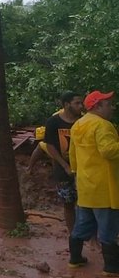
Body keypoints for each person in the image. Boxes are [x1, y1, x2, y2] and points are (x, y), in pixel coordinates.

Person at [68, 90, 119, 275]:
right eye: (108, 104)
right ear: (97, 106)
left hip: (86, 186)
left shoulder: (78, 125)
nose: (111, 107)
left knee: (82, 225)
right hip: (105, 188)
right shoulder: (103, 125)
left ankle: (75, 259)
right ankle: (112, 267)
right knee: (108, 229)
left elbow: (72, 155)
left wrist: (75, 173)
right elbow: (108, 151)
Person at [41, 92, 85, 232]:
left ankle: (90, 236)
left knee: (87, 204)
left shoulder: (83, 121)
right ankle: (73, 235)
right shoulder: (53, 122)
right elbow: (50, 146)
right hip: (62, 169)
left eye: (81, 103)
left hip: (84, 169)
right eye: (77, 103)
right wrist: (65, 165)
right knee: (68, 203)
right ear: (67, 105)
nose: (81, 106)